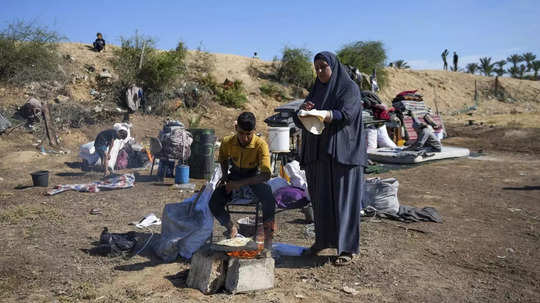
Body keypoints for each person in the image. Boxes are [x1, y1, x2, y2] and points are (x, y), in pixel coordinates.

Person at [292, 51, 366, 266]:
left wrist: (324, 114)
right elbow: (303, 117)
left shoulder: (348, 88)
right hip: (319, 155)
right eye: (317, 68)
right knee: (321, 200)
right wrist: (303, 112)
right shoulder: (316, 90)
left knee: (344, 202)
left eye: (324, 66)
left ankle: (348, 249)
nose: (320, 71)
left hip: (344, 154)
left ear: (334, 66)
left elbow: (346, 114)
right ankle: (323, 241)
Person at [209, 112, 276, 250]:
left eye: (248, 134)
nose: (244, 138)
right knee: (214, 201)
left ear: (254, 131)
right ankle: (232, 228)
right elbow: (222, 158)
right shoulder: (228, 142)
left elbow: (266, 175)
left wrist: (238, 184)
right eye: (241, 133)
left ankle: (268, 239)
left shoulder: (260, 145)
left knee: (269, 197)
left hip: (253, 179)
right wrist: (225, 177)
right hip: (234, 176)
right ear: (236, 128)